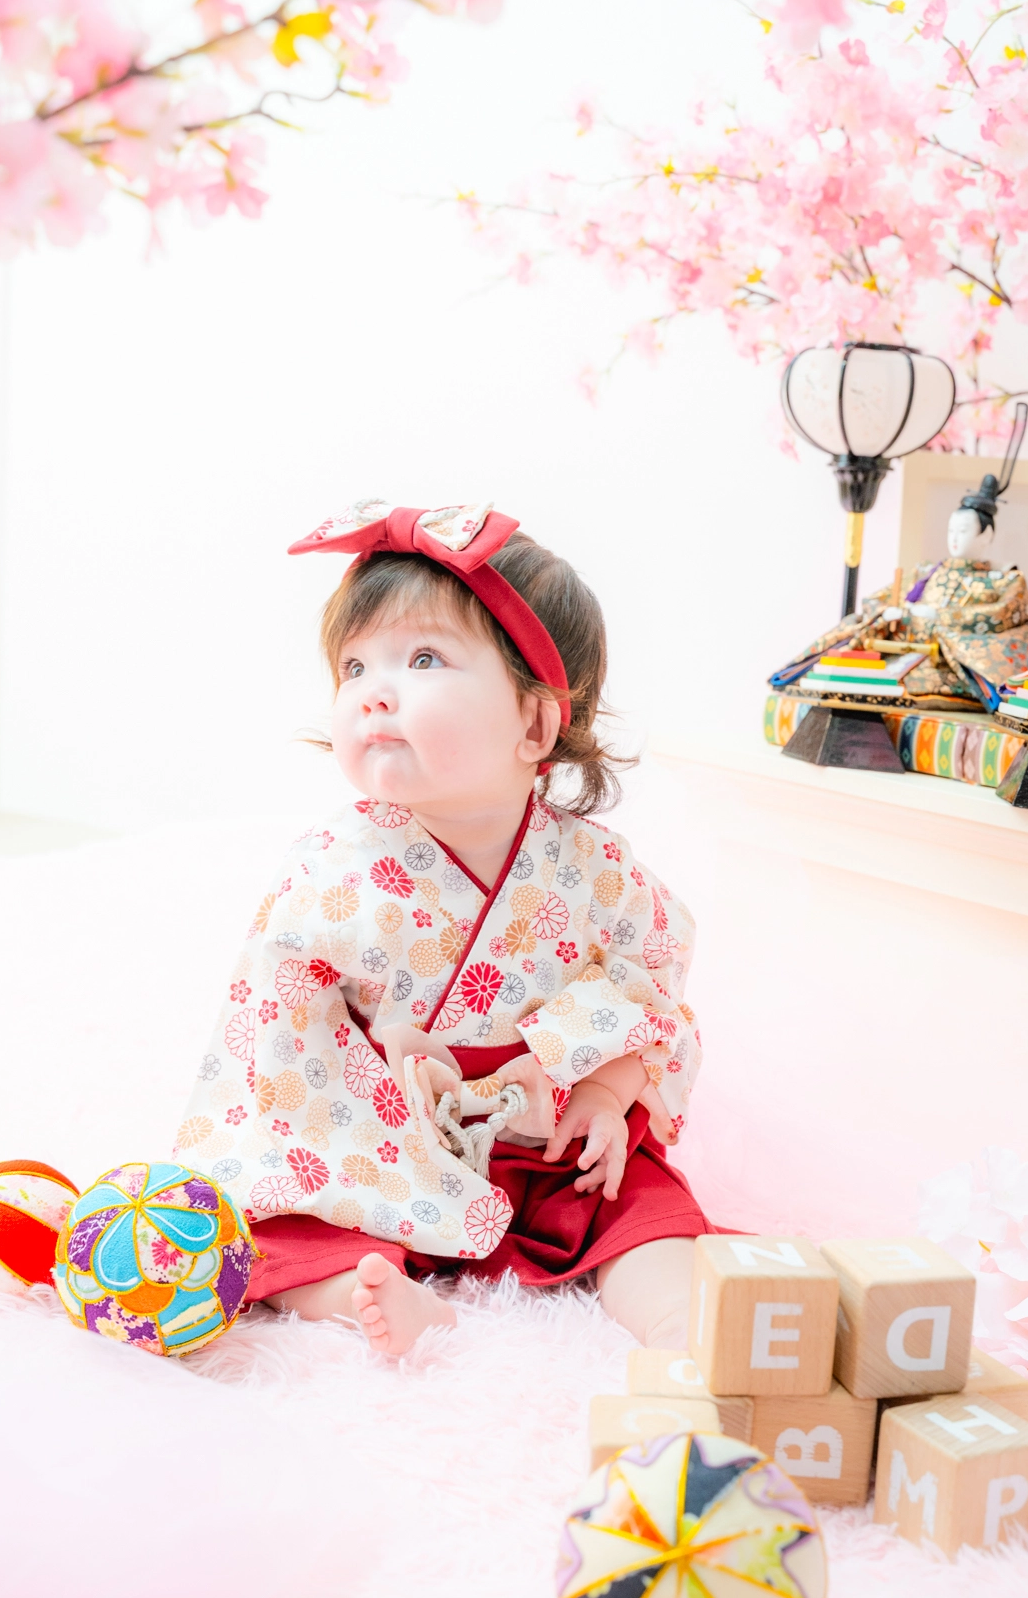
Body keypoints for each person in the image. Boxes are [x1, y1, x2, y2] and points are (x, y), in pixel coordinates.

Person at [176, 501, 707, 1358]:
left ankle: (680, 1324)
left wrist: (606, 1096)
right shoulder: (330, 870)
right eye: (354, 666)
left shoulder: (596, 869)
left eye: (423, 659)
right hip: (380, 1139)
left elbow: (643, 984)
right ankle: (365, 1295)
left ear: (535, 723)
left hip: (544, 1134)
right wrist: (372, 1079)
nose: (373, 691)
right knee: (272, 1228)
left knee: (639, 1206)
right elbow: (275, 1040)